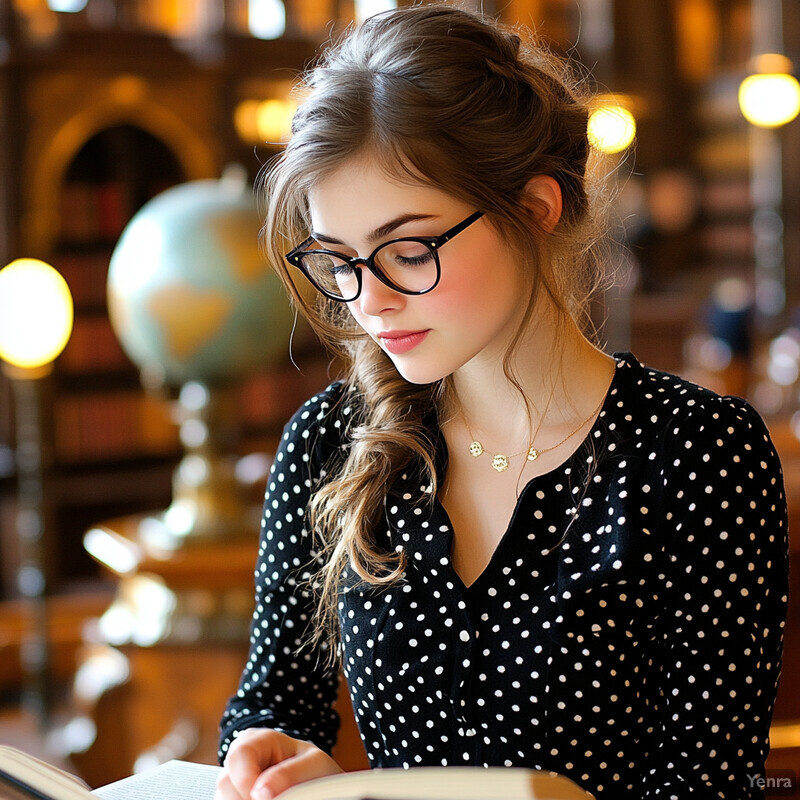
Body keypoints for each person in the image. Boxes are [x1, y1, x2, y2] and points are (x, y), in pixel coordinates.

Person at [214, 5, 789, 799]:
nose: (367, 301)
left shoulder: (698, 454)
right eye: (339, 260)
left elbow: (708, 781)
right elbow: (276, 701)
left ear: (535, 207)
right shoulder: (330, 441)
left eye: (408, 251)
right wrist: (264, 751)